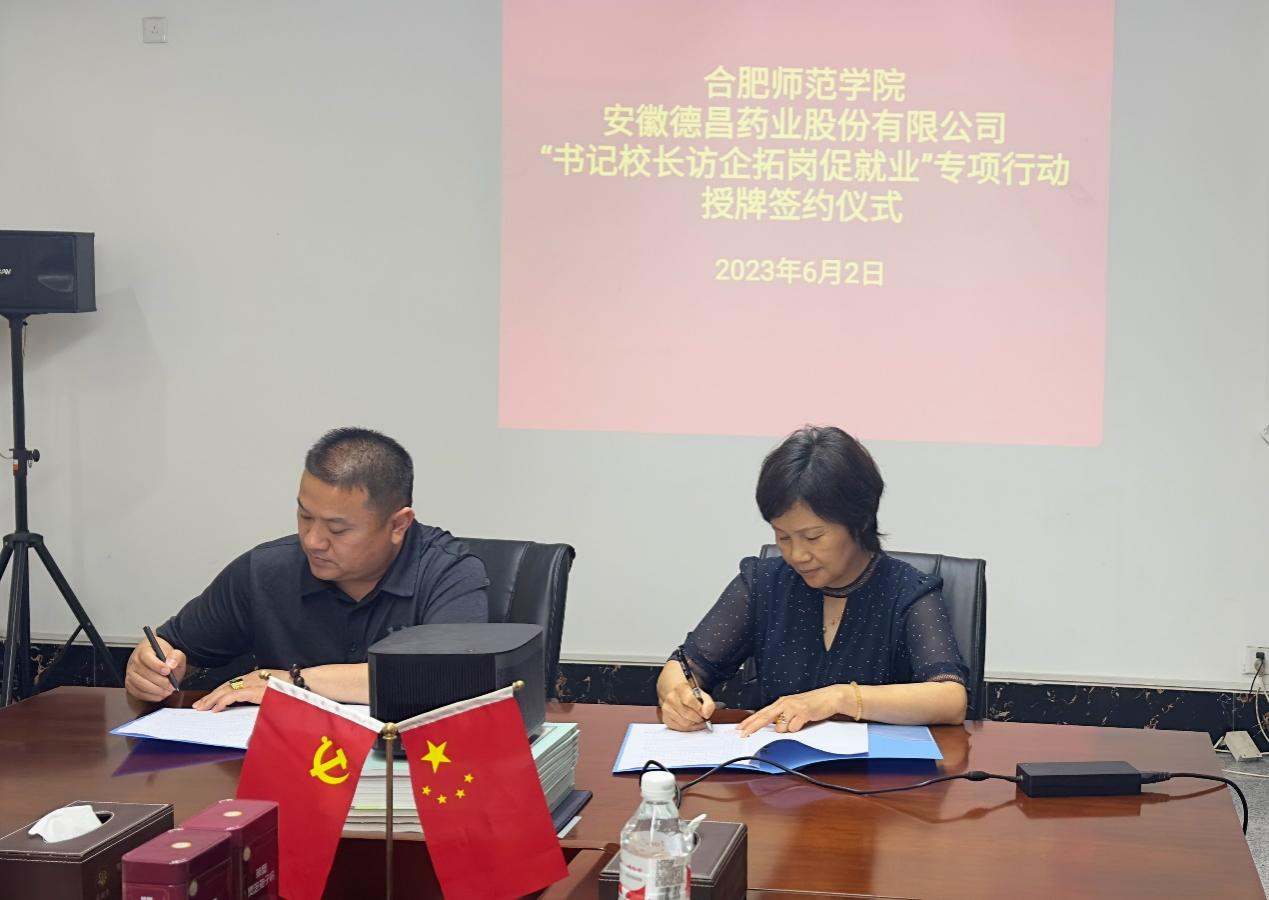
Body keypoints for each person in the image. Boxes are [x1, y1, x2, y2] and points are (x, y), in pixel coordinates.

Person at [125, 427, 490, 710]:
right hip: (282, 764)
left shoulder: (449, 573)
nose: (313, 541)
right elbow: (175, 647)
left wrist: (292, 683)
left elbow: (446, 678)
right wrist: (150, 667)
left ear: (398, 525)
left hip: (404, 769)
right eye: (305, 516)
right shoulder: (265, 570)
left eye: (337, 529)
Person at [657, 425, 967, 735]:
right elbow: (685, 666)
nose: (797, 554)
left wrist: (840, 698)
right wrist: (679, 697)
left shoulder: (908, 592)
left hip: (875, 765)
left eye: (813, 537)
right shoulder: (762, 583)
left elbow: (950, 699)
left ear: (860, 521)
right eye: (783, 536)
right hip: (774, 761)